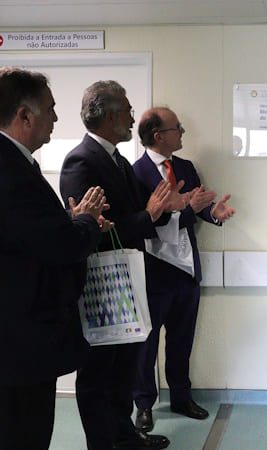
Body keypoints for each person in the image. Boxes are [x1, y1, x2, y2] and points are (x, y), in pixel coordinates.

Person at [0, 67, 108, 449]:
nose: (56, 117)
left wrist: (72, 220)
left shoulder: (2, 159)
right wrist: (86, 221)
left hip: (14, 344)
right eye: (50, 108)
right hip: (11, 350)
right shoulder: (3, 171)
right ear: (25, 115)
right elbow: (60, 246)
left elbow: (30, 236)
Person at [60, 81, 188, 450]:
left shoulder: (117, 159)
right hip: (101, 285)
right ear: (110, 115)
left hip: (126, 281)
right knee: (99, 372)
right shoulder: (81, 161)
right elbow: (90, 231)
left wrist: (165, 210)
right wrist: (149, 214)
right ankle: (104, 442)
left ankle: (124, 436)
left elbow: (138, 215)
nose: (133, 118)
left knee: (123, 368)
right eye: (129, 111)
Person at [132, 107, 235, 431]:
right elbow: (147, 223)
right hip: (153, 274)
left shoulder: (186, 167)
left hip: (186, 273)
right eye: (177, 128)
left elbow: (197, 208)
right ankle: (144, 405)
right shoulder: (135, 174)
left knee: (181, 342)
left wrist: (213, 213)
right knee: (146, 347)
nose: (182, 133)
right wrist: (188, 211)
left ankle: (181, 397)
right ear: (159, 136)